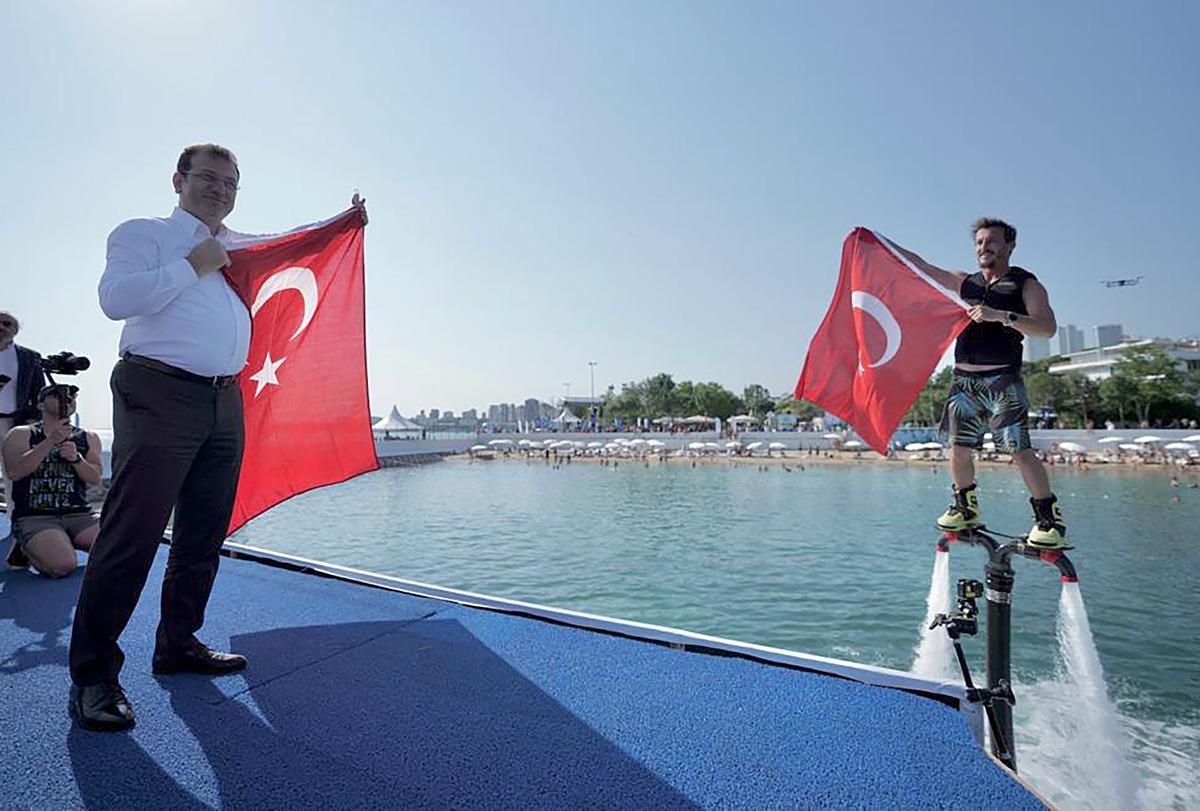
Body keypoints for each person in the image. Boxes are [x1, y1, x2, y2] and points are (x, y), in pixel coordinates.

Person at [67, 143, 368, 731]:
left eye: (231, 182)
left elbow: (290, 243)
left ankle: (178, 643)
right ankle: (94, 675)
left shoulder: (238, 245)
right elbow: (115, 300)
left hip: (224, 398)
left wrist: (340, 223)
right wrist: (193, 263)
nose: (221, 190)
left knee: (204, 532)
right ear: (178, 180)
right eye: (208, 178)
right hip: (158, 391)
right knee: (133, 532)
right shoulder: (143, 233)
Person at [893, 218, 1067, 549]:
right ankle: (965, 507)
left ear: (1009, 246)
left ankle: (1049, 519)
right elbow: (922, 266)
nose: (983, 247)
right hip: (963, 382)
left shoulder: (1025, 285)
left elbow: (1047, 328)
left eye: (991, 242)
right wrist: (882, 242)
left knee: (1019, 450)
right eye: (979, 242)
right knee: (958, 450)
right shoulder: (965, 283)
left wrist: (1001, 316)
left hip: (1002, 379)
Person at [2, 384, 102, 576]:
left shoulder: (88, 438)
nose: (67, 399)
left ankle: (59, 540)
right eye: (56, 395)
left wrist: (76, 459)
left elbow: (95, 478)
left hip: (79, 515)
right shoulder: (21, 434)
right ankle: (28, 545)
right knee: (63, 566)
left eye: (72, 395)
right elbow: (14, 472)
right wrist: (49, 442)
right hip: (35, 516)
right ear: (40, 405)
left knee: (117, 551)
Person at [1, 310, 47, 568]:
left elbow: (38, 392)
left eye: (7, 323)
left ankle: (16, 525)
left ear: (15, 330)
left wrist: (33, 420)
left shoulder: (29, 358)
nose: (1, 327)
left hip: (14, 423)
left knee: (15, 476)